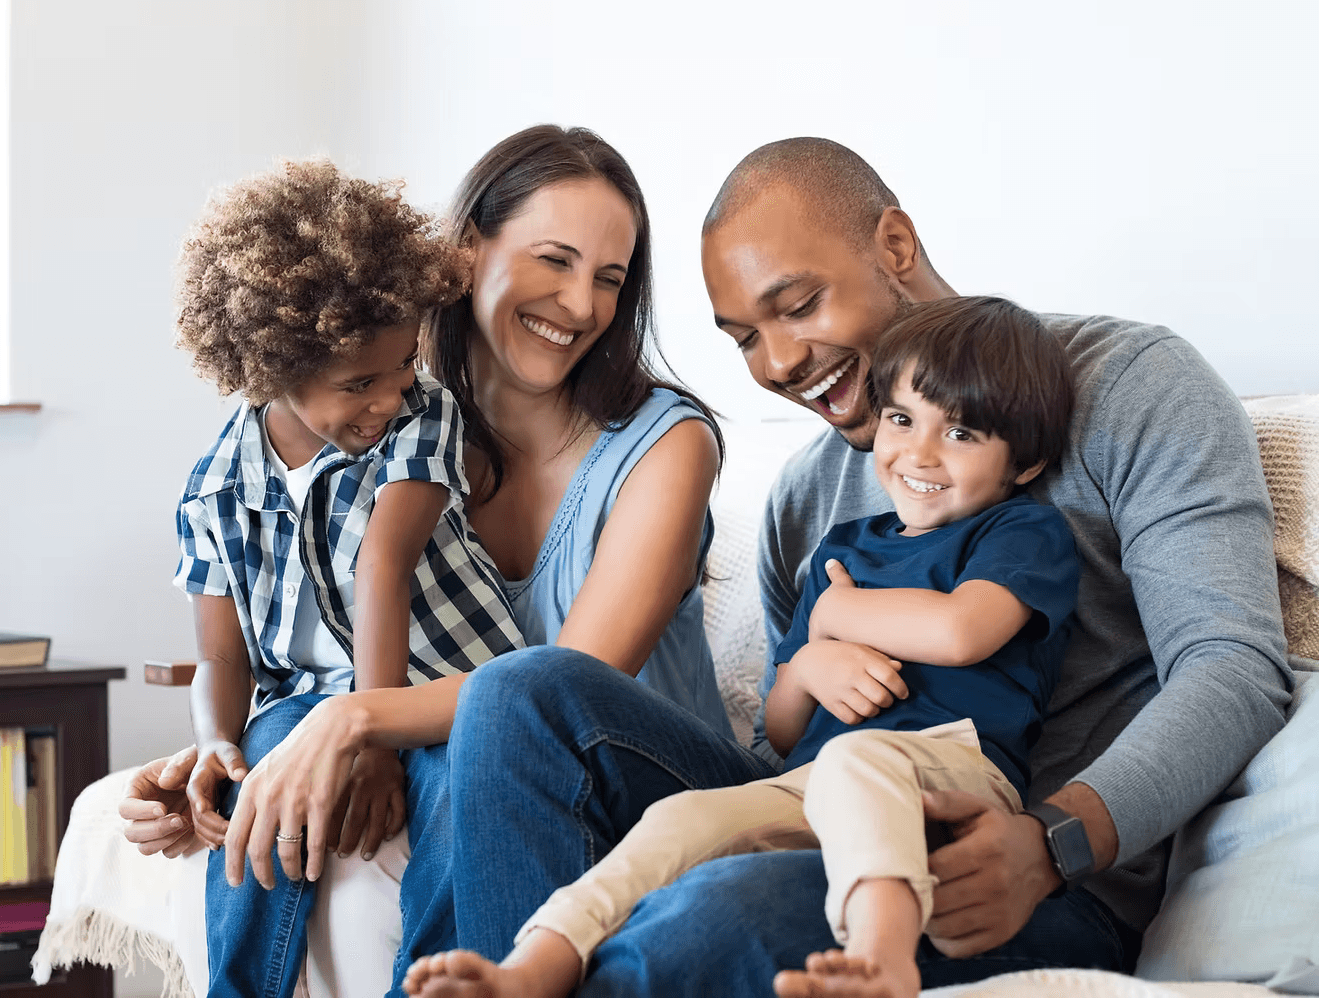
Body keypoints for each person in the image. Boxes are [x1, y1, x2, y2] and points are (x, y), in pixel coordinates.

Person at [422, 136, 1292, 997]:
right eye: (743, 340)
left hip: (1018, 869)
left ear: (895, 247)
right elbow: (784, 743)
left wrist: (1053, 843)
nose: (778, 364)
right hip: (831, 811)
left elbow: (1231, 666)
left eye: (797, 305)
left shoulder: (1129, 385)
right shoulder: (806, 499)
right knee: (519, 692)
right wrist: (808, 667)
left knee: (711, 913)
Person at [120, 125, 747, 998]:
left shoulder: (664, 446)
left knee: (492, 728)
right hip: (475, 752)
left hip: (635, 781)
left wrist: (353, 721)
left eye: (609, 279)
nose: (580, 305)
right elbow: (293, 630)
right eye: (553, 261)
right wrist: (222, 753)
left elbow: (566, 687)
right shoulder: (389, 429)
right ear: (462, 256)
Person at [403, 294, 1080, 998]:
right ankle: (533, 966)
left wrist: (838, 614)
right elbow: (783, 729)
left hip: (953, 773)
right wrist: (812, 658)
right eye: (902, 419)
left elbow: (961, 630)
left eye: (962, 434)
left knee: (858, 757)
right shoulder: (842, 549)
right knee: (681, 819)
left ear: (1023, 463)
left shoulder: (1019, 533)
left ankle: (883, 959)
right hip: (810, 783)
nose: (919, 453)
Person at [169, 159, 528, 998]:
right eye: (357, 383)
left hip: (450, 687)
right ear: (269, 368)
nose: (388, 395)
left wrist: (368, 736)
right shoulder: (214, 488)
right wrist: (217, 743)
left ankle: (436, 985)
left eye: (402, 365)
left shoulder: (421, 415)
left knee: (455, 794)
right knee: (263, 775)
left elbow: (382, 564)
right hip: (305, 699)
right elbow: (222, 658)